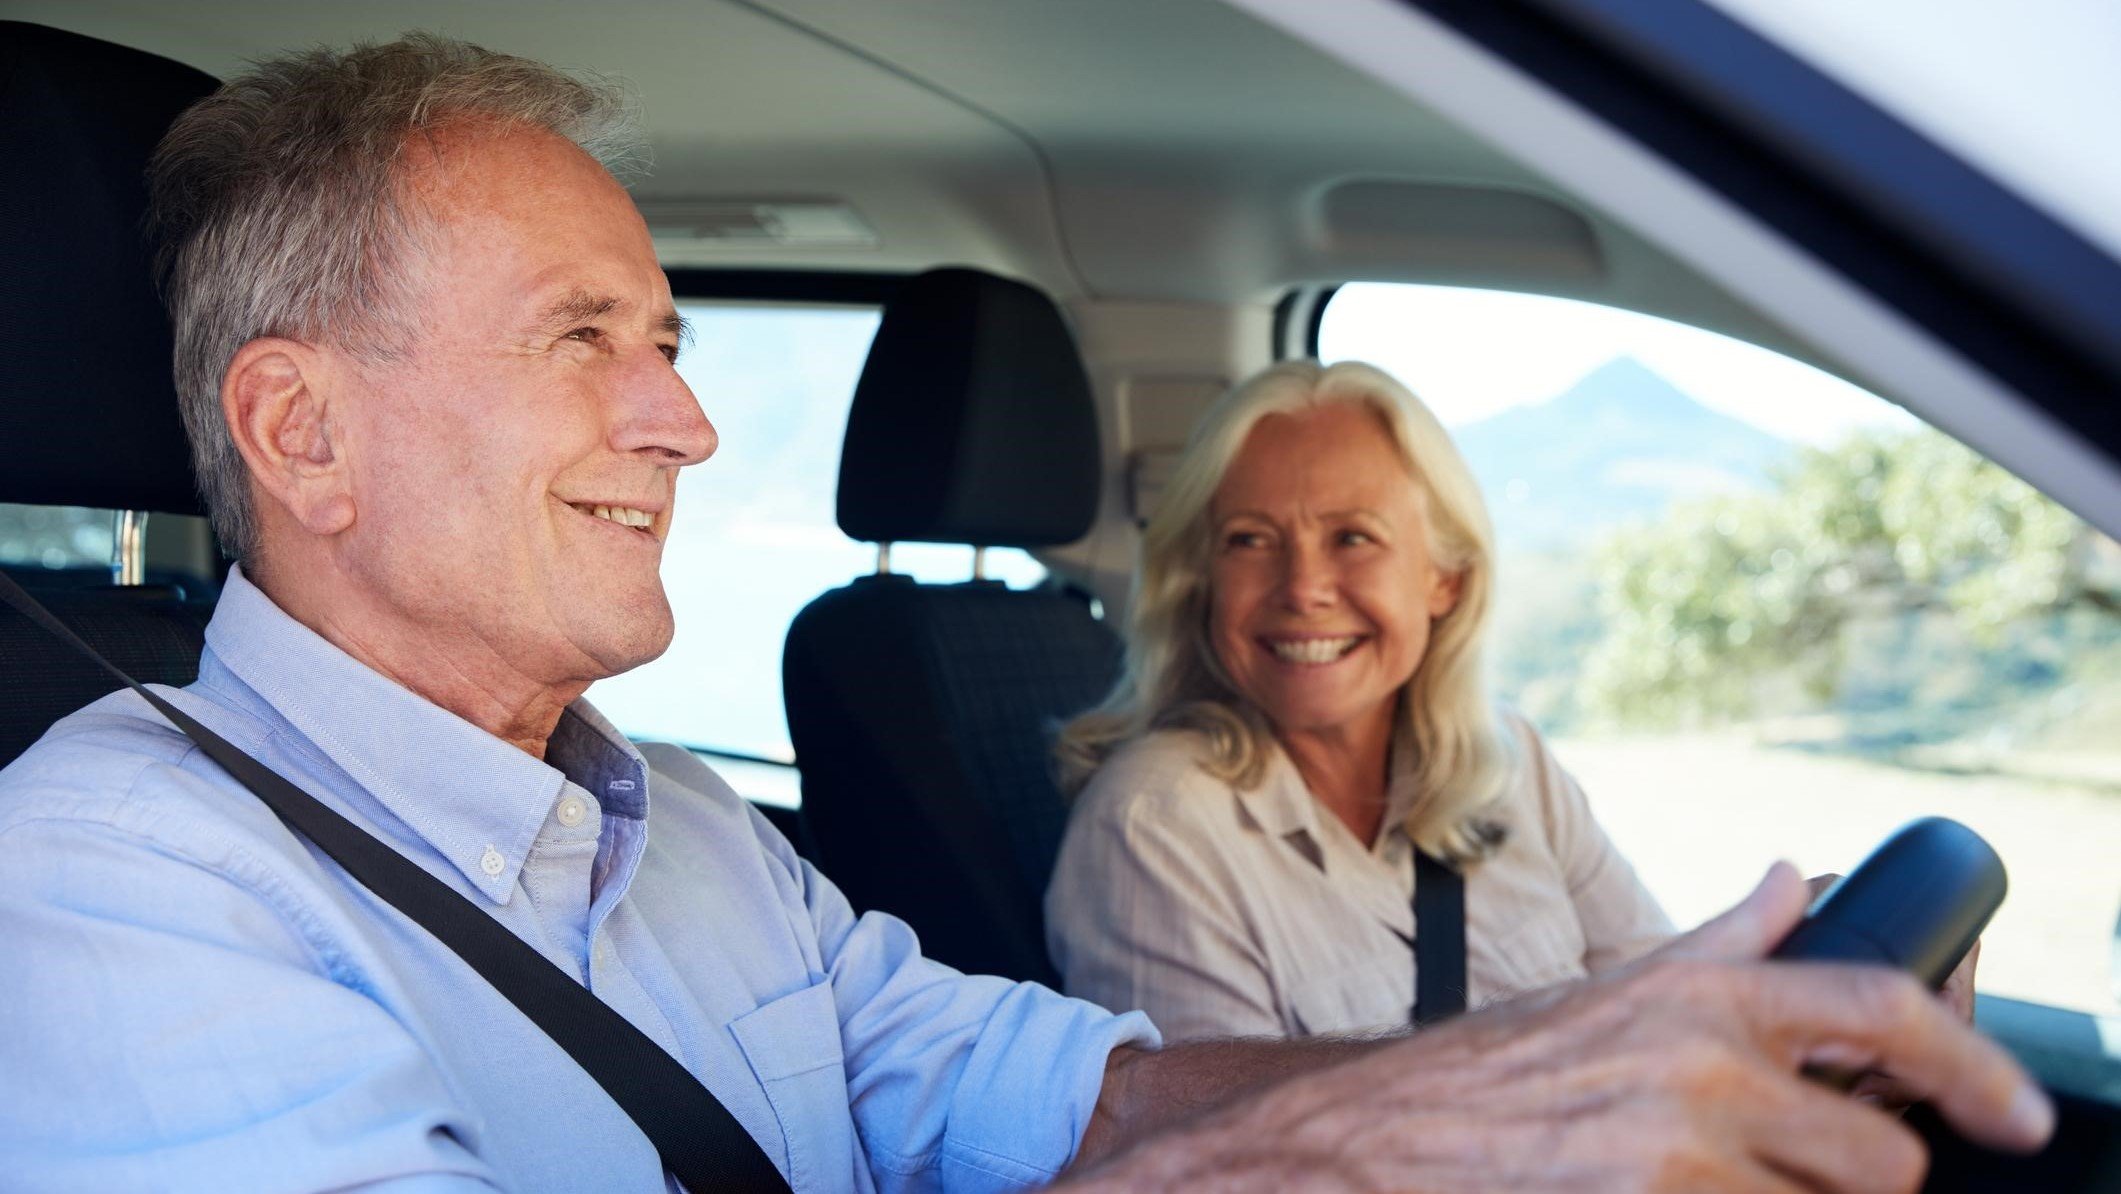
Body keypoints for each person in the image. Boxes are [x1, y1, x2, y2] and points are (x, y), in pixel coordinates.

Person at [0, 33, 2048, 1194]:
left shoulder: (686, 828)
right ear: (305, 431)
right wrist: (1407, 1136)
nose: (688, 420)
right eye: (583, 340)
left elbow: (1050, 1094)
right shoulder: (107, 882)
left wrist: (1598, 1052)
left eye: (676, 335)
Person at [1048, 360, 1678, 1041]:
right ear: (1201, 581)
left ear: (1444, 580)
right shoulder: (1155, 822)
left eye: (1352, 538)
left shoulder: (1509, 761)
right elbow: (1228, 1141)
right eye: (1249, 540)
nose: (1302, 588)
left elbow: (1670, 1010)